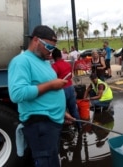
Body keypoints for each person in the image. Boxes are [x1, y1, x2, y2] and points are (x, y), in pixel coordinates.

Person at [8, 25, 75, 167]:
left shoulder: (43, 62)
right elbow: (17, 94)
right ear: (36, 40)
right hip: (40, 125)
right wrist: (51, 85)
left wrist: (62, 112)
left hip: (51, 123)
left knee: (52, 160)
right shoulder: (21, 61)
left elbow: (46, 94)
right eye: (49, 47)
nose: (51, 52)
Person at [51, 48, 81, 130]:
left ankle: (62, 131)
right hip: (70, 88)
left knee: (61, 111)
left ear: (53, 57)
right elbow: (70, 77)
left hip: (61, 91)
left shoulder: (54, 66)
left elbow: (53, 79)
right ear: (60, 56)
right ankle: (80, 127)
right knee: (74, 110)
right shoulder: (67, 64)